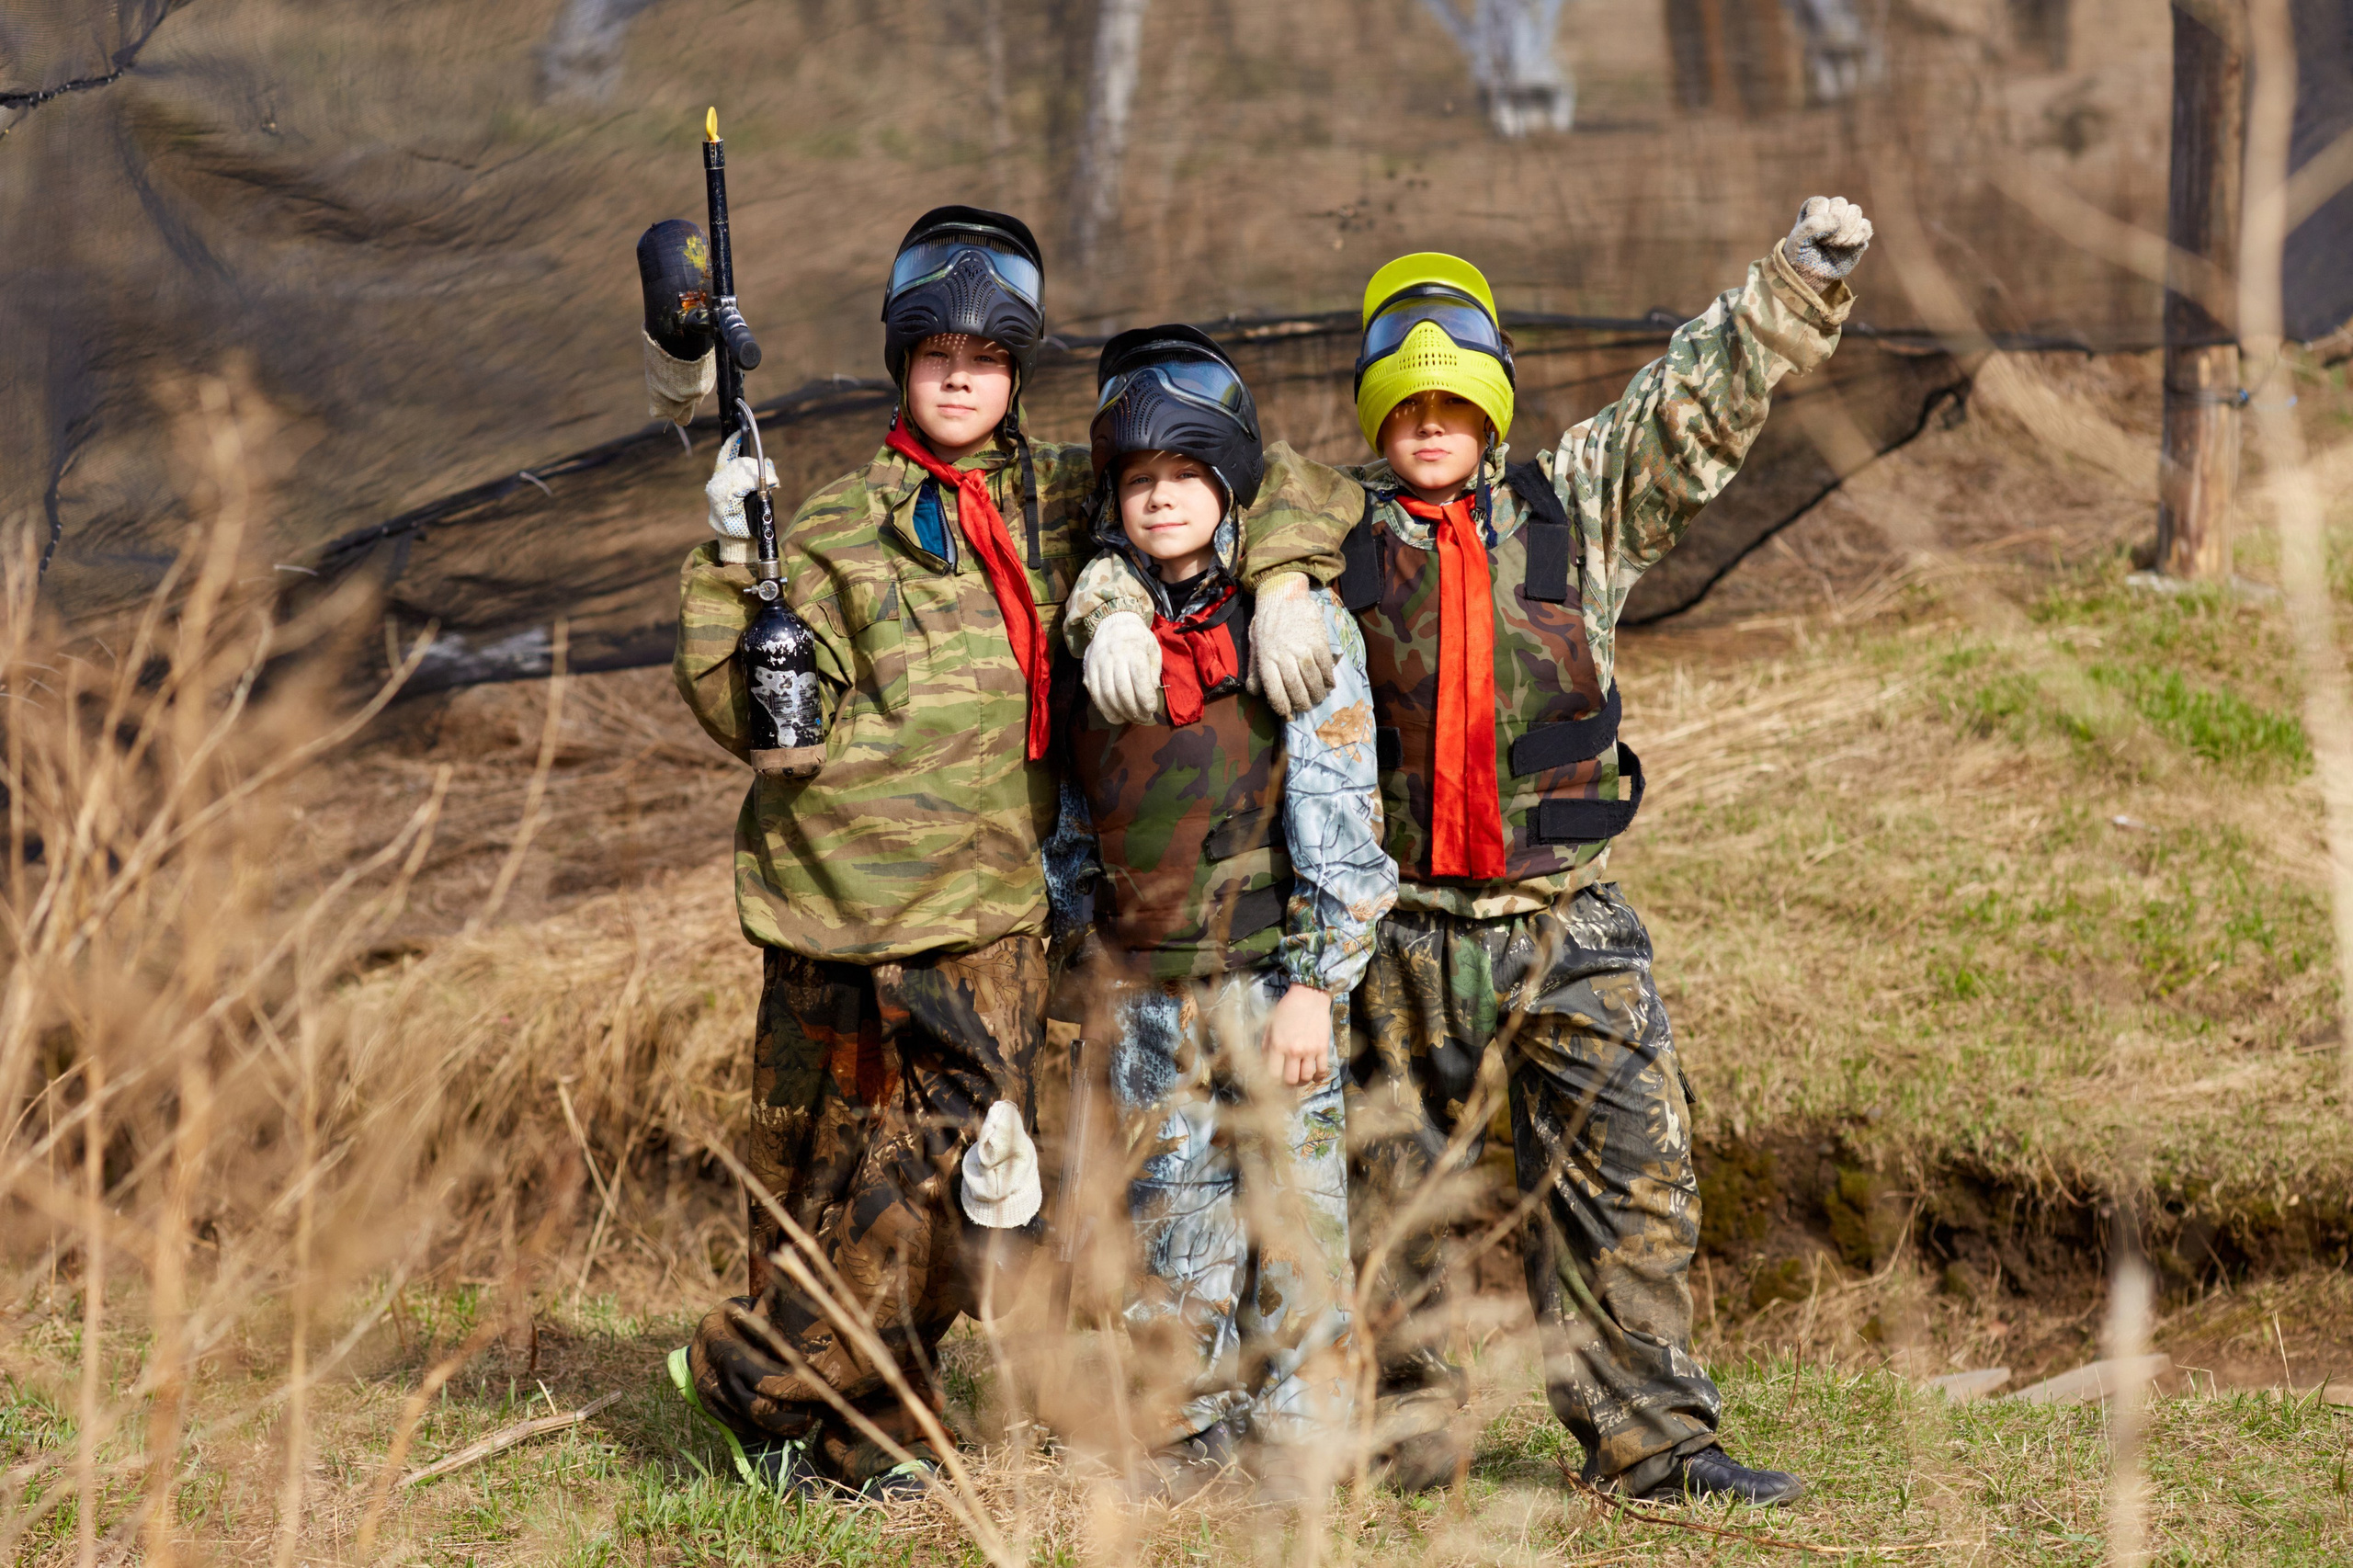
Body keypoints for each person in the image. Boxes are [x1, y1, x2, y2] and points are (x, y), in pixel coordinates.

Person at [1065, 197, 1877, 1505]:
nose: (1434, 428)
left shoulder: (1577, 504)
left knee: (1633, 1178)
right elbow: (1171, 508)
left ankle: (1654, 1444)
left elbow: (1697, 399)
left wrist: (1794, 281)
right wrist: (1229, 589)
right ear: (1380, 415)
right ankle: (1404, 1445)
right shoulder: (1326, 519)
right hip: (1397, 933)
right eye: (1409, 409)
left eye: (1455, 404)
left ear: (1493, 406)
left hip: (1569, 919)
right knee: (1393, 1205)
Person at [655, 207, 1361, 1499]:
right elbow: (746, 712)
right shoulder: (823, 527)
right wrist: (725, 554)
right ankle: (861, 1440)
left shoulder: (1064, 498)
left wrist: (1287, 581)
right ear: (903, 365)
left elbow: (1270, 475)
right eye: (938, 354)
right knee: (817, 1178)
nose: (963, 375)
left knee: (938, 1184)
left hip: (983, 913)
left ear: (1016, 369)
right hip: (827, 908)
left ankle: (753, 1375)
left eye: (988, 354)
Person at [1062, 326, 1395, 1499]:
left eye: (1184, 480)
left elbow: (1343, 823)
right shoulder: (1097, 637)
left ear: (1226, 486)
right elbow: (1072, 818)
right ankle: (1181, 1428)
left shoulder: (1290, 632)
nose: (1160, 501)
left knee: (1299, 1227)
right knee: (1175, 1225)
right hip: (1148, 991)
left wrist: (1317, 982)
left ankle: (1307, 1446)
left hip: (1270, 982)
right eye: (1139, 483)